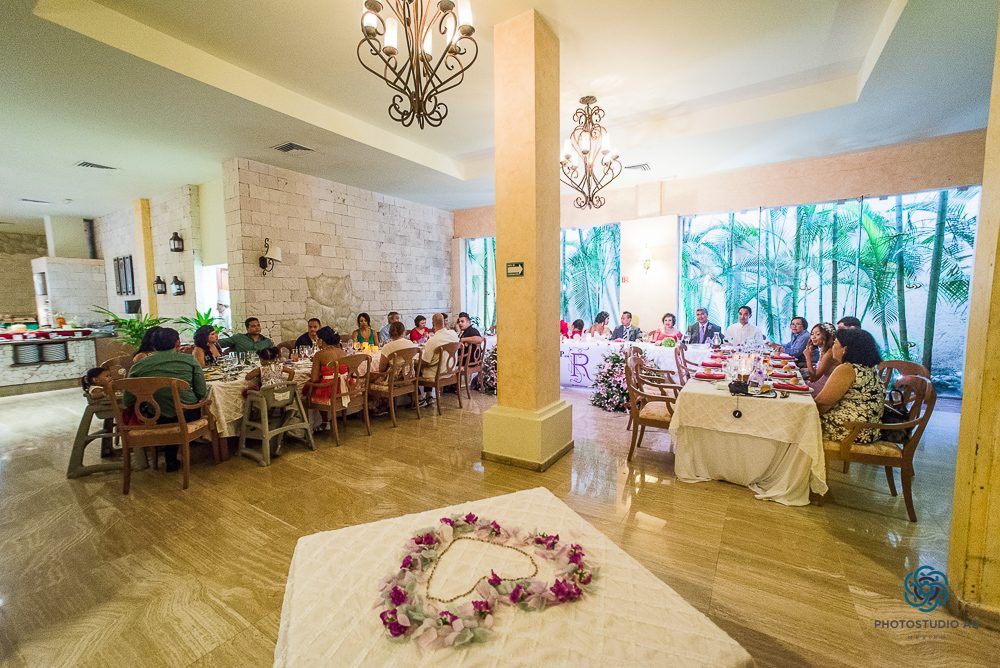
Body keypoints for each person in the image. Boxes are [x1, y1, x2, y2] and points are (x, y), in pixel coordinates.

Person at [124, 327, 207, 472]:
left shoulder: (139, 365)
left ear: (153, 344)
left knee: (167, 412)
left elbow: (128, 401)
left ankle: (170, 458)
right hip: (187, 415)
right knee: (183, 409)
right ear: (177, 342)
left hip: (155, 418)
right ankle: (174, 458)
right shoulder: (189, 360)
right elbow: (201, 393)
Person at [815, 328, 884, 444]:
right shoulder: (868, 369)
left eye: (835, 343)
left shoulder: (847, 369)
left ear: (844, 349)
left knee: (796, 424)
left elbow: (823, 403)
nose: (831, 348)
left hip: (851, 431)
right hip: (868, 430)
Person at [307, 327, 346, 428]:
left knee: (308, 388)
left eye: (317, 339)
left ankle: (320, 422)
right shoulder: (342, 351)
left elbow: (314, 379)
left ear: (321, 340)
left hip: (332, 388)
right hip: (346, 387)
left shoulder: (319, 355)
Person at [420, 313, 460, 405]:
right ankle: (428, 396)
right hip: (451, 371)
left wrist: (415, 363)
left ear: (433, 324)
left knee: (419, 367)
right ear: (444, 322)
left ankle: (420, 399)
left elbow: (425, 361)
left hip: (437, 374)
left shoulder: (433, 340)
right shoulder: (453, 334)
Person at [371, 321, 417, 392]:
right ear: (403, 331)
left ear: (390, 333)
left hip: (393, 380)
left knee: (369, 378)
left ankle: (376, 399)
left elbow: (382, 369)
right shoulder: (410, 343)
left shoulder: (388, 347)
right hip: (409, 377)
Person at [803, 322, 838, 388]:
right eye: (812, 334)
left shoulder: (829, 353)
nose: (813, 337)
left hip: (824, 386)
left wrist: (808, 357)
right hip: (820, 382)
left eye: (817, 334)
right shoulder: (824, 350)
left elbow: (814, 378)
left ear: (826, 336)